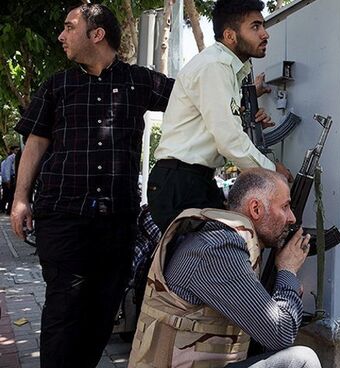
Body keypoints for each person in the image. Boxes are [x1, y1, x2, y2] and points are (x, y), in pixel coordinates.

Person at [10, 4, 174, 367]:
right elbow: (35, 144)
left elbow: (195, 99)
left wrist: (247, 98)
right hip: (63, 218)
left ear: (96, 34)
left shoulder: (140, 81)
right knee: (64, 315)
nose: (61, 35)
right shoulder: (58, 84)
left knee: (102, 314)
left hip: (117, 222)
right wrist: (21, 199)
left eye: (69, 27)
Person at [129, 168, 320, 368]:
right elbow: (281, 333)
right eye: (285, 207)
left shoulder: (222, 239)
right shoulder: (219, 248)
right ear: (255, 209)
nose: (292, 219)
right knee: (301, 360)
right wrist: (288, 271)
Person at [148, 0, 292, 233]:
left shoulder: (224, 67)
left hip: (192, 180)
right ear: (230, 35)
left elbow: (222, 129)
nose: (265, 34)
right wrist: (272, 172)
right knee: (212, 258)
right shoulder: (215, 66)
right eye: (255, 27)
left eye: (263, 26)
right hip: (181, 183)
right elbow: (229, 139)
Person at [1, 146, 18, 214]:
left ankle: (7, 209)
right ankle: (8, 210)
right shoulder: (11, 158)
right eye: (16, 150)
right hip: (10, 178)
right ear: (13, 151)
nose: (17, 151)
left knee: (10, 195)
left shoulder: (16, 158)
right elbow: (7, 169)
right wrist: (8, 180)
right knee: (9, 195)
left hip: (12, 178)